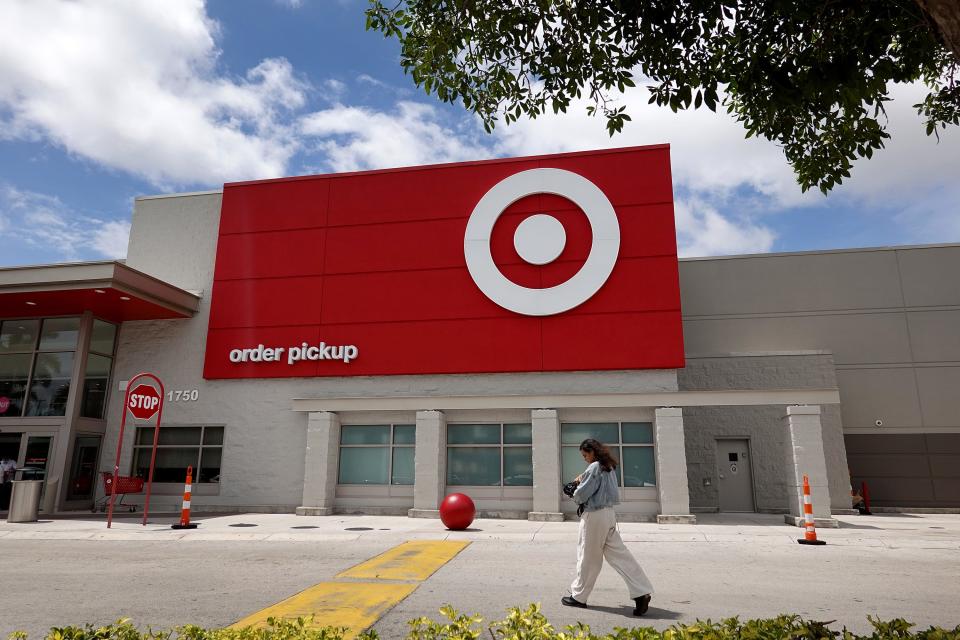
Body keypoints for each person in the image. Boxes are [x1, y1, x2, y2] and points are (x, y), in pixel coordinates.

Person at [561, 438, 655, 616]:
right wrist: (581, 481)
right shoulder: (609, 466)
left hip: (594, 516)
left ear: (593, 452)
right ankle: (641, 591)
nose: (584, 458)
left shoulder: (594, 467)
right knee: (621, 555)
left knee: (587, 557)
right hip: (609, 515)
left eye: (585, 454)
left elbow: (581, 495)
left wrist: (572, 489)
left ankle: (579, 597)